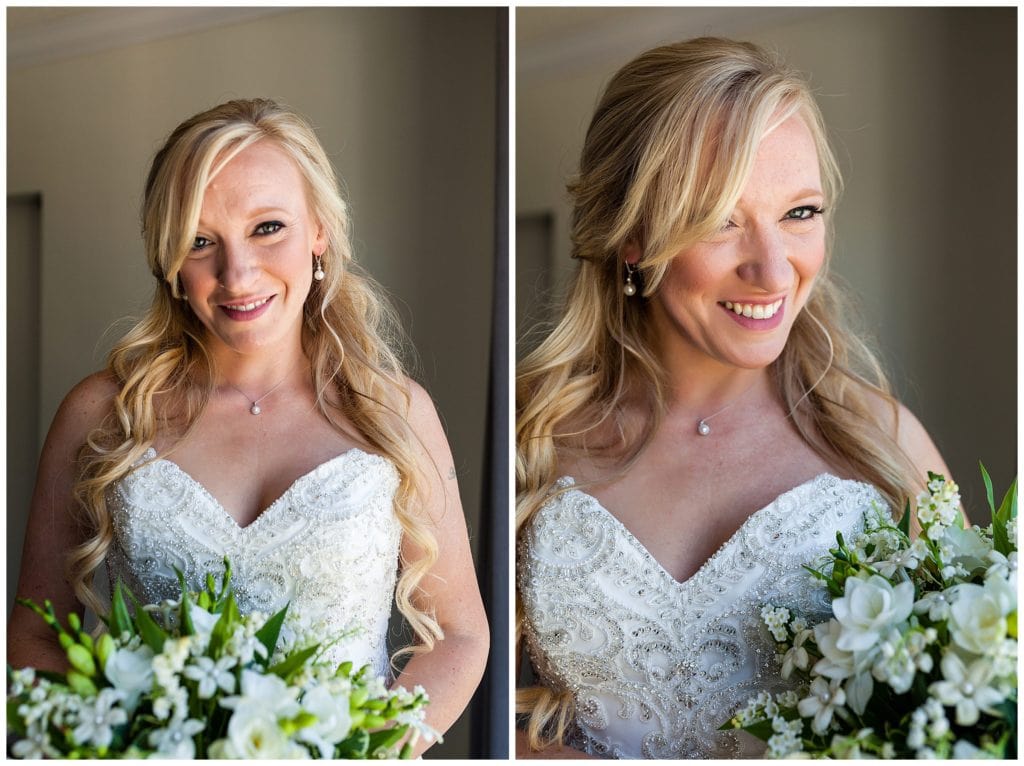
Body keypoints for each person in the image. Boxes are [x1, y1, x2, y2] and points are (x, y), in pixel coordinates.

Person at [8, 98, 489, 755]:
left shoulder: (394, 413)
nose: (236, 274)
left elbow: (460, 635)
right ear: (169, 260)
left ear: (319, 230)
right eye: (200, 241)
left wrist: (370, 750)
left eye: (268, 227)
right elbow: (33, 636)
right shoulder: (101, 415)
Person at [515, 38, 950, 758]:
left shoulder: (881, 441)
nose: (773, 269)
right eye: (720, 217)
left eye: (800, 212)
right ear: (633, 236)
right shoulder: (529, 435)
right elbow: (477, 692)